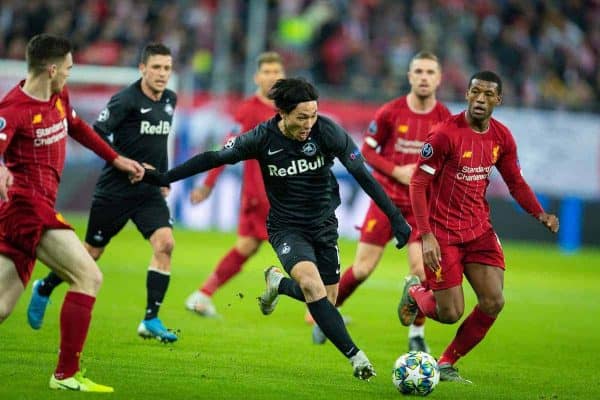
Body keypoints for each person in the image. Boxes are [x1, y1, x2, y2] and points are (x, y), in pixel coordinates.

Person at [137, 78, 412, 380]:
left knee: (326, 299)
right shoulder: (261, 138)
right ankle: (357, 358)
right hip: (286, 228)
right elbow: (214, 157)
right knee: (311, 285)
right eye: (301, 117)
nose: (309, 123)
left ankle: (278, 284)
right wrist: (165, 177)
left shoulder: (328, 131)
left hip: (324, 226)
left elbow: (362, 175)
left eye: (313, 115)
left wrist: (397, 219)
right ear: (282, 113)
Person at [0, 34, 143, 391]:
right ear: (51, 69)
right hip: (25, 208)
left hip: (36, 208)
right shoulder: (12, 109)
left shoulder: (57, 95)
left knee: (2, 308)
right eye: (67, 68)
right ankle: (65, 374)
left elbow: (77, 127)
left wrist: (117, 159)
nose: (69, 73)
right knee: (88, 277)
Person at [398, 71, 559, 383]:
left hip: (478, 230)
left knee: (494, 301)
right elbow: (418, 184)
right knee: (449, 313)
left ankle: (445, 363)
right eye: (475, 93)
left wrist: (539, 213)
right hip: (442, 234)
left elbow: (515, 181)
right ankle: (415, 291)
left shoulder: (501, 137)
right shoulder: (445, 134)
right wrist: (426, 235)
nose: (480, 100)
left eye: (488, 95)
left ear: (498, 99)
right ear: (468, 94)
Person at [27, 43, 179, 343]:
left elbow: (158, 146)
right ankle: (44, 286)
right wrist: (127, 163)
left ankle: (151, 319)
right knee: (91, 254)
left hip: (148, 191)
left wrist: (163, 177)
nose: (162, 74)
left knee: (165, 245)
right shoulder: (124, 100)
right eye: (157, 67)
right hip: (115, 190)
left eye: (167, 68)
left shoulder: (171, 99)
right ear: (142, 69)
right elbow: (96, 132)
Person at [313, 51, 451, 350]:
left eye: (430, 72)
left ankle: (416, 336)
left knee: (421, 271)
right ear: (410, 76)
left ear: (439, 79)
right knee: (362, 269)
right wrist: (396, 170)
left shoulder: (445, 119)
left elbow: (449, 161)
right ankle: (327, 316)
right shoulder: (391, 112)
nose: (424, 77)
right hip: (386, 202)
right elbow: (368, 151)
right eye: (419, 71)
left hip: (421, 208)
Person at [185, 51, 285, 317]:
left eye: (276, 71)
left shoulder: (289, 107)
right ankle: (321, 310)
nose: (272, 76)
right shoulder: (250, 110)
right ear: (257, 77)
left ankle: (203, 294)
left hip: (285, 194)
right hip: (260, 194)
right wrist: (208, 184)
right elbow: (228, 148)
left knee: (248, 247)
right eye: (267, 72)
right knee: (303, 247)